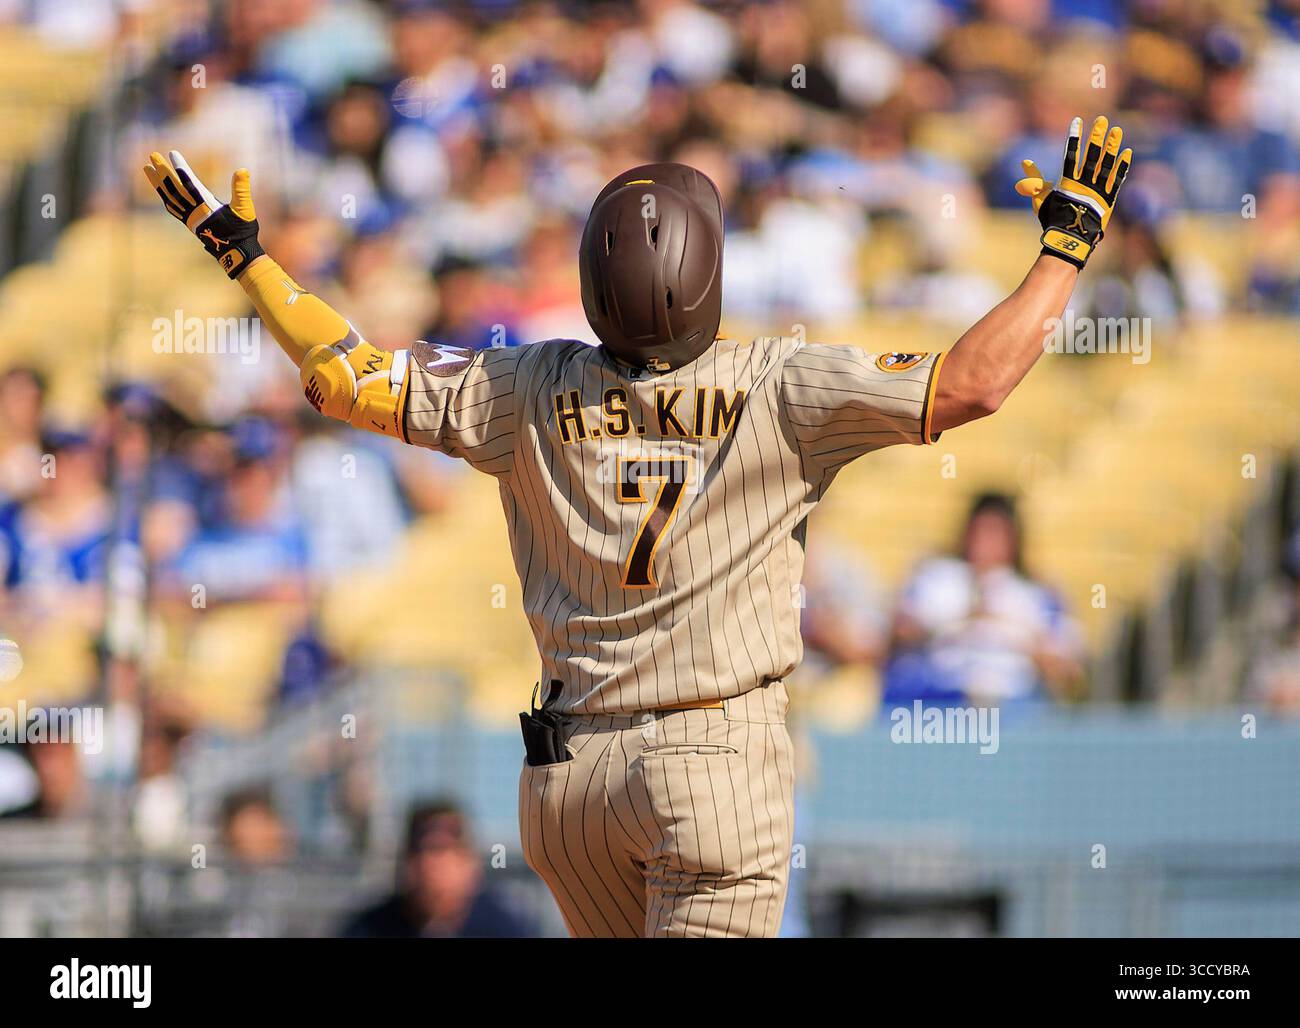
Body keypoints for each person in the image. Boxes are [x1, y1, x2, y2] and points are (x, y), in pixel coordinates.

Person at [142, 113, 1132, 937]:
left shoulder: (523, 384)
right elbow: (973, 383)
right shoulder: (777, 384)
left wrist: (248, 260)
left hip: (566, 781)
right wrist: (1064, 247)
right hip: (711, 762)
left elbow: (347, 377)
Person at [884, 492, 1083, 707]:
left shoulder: (1035, 592)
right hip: (938, 697)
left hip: (1013, 702)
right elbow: (897, 633)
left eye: (996, 533)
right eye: (980, 531)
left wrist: (1008, 630)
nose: (986, 543)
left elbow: (1067, 668)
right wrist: (953, 622)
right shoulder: (935, 576)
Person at [340, 799, 537, 939]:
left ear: (470, 863)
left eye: (442, 849)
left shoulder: (506, 927)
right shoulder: (370, 928)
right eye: (419, 850)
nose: (431, 864)